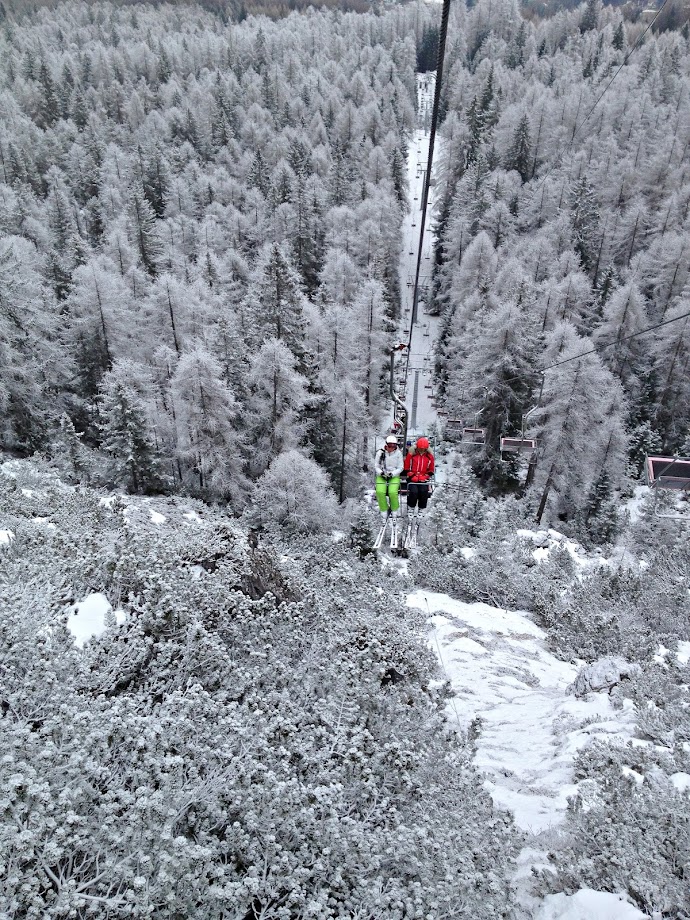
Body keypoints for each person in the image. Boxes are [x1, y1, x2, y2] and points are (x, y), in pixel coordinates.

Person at [374, 435, 404, 523]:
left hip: (393, 475)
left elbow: (400, 467)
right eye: (390, 445)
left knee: (392, 492)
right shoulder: (380, 453)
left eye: (394, 446)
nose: (391, 448)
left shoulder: (398, 454)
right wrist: (381, 473)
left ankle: (394, 510)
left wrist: (392, 474)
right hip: (382, 474)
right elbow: (376, 466)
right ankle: (384, 509)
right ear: (386, 445)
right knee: (380, 492)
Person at [404, 436, 435, 519]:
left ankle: (421, 508)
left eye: (423, 449)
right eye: (420, 449)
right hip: (412, 477)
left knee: (424, 491)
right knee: (413, 491)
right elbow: (407, 467)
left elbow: (431, 470)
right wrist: (412, 475)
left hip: (423, 478)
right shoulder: (411, 455)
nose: (421, 451)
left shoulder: (429, 457)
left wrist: (425, 476)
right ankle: (411, 507)